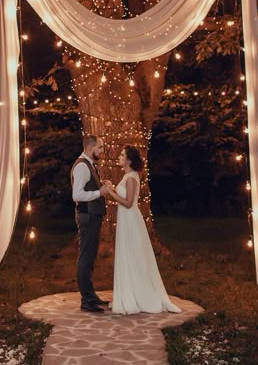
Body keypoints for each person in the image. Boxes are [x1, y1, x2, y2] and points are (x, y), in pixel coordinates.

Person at [106, 145, 182, 315]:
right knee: (128, 256)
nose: (119, 157)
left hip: (131, 221)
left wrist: (111, 193)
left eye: (122, 155)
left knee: (135, 256)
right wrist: (112, 187)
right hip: (125, 221)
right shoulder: (127, 176)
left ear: (129, 160)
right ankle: (127, 293)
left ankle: (141, 295)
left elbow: (128, 203)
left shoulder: (132, 177)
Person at [71, 134, 110, 312]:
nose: (102, 151)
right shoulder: (81, 167)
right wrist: (99, 193)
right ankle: (86, 300)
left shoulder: (89, 165)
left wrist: (101, 186)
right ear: (90, 148)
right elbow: (77, 195)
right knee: (85, 257)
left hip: (92, 216)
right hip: (87, 217)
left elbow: (90, 187)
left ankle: (91, 296)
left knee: (90, 256)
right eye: (100, 148)